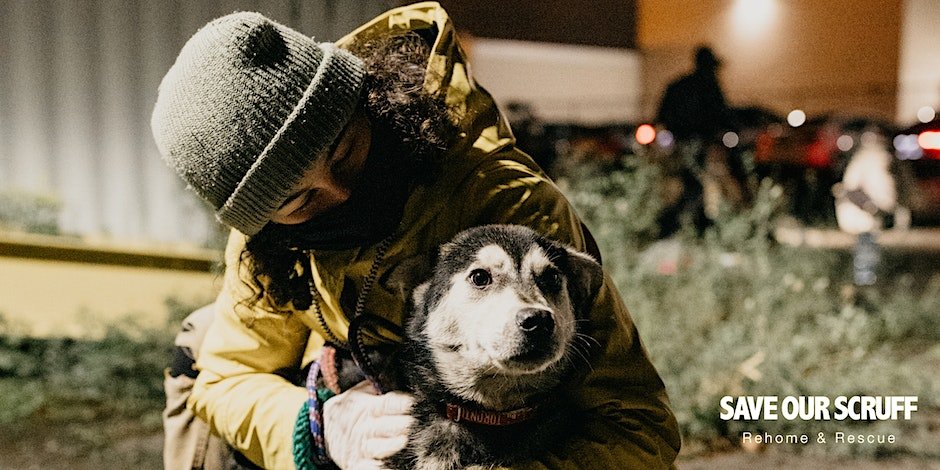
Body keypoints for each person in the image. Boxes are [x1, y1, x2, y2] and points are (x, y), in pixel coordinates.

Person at [152, 3, 680, 469]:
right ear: (265, 221)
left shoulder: (503, 204)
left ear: (370, 104)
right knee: (199, 345)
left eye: (346, 153)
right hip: (361, 392)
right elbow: (227, 377)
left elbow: (637, 426)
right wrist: (319, 426)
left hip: (499, 427)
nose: (340, 193)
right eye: (300, 200)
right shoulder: (271, 243)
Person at [656, 45, 736, 235]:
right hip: (693, 142)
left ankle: (698, 224)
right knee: (694, 185)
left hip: (683, 142)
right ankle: (670, 225)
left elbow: (662, 115)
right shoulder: (707, 86)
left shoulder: (680, 85)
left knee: (693, 183)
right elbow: (722, 113)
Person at [833, 131, 897, 286]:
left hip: (870, 218)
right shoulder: (868, 160)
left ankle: (868, 281)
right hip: (862, 217)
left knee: (871, 251)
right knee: (865, 252)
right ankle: (864, 283)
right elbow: (850, 190)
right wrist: (871, 208)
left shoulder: (877, 159)